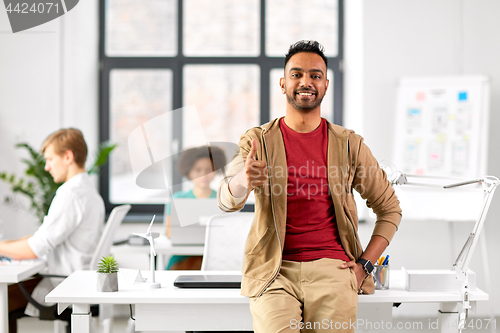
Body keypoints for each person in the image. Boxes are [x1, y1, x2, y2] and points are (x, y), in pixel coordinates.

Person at [218, 40, 402, 333]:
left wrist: (365, 265)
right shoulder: (257, 141)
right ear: (283, 83)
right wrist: (244, 181)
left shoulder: (349, 145)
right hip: (274, 272)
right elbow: (227, 201)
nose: (306, 82)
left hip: (334, 270)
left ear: (326, 84)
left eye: (315, 75)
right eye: (297, 74)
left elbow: (390, 210)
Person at [0, 128, 105, 333]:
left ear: (68, 156)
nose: (47, 167)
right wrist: (7, 246)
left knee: (2, 298)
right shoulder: (90, 192)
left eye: (49, 159)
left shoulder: (70, 194)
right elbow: (42, 237)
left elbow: (35, 249)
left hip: (64, 283)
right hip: (80, 277)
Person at [165, 145, 226, 270]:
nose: (204, 174)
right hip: (182, 257)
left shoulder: (224, 199)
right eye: (198, 170)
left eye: (209, 170)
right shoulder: (177, 199)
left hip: (216, 256)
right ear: (189, 172)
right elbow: (170, 233)